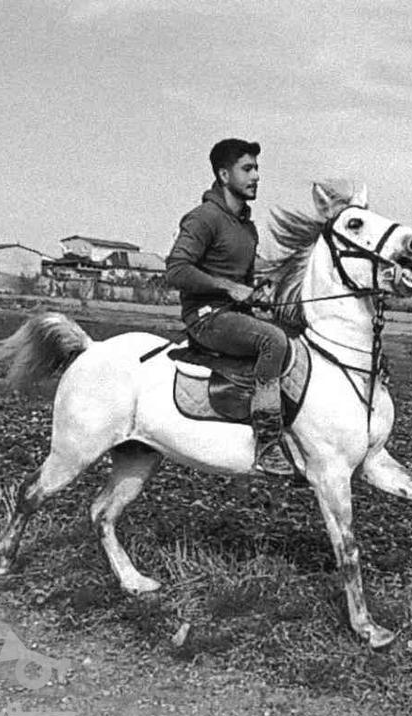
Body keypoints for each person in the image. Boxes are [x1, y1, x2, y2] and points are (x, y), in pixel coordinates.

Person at [166, 138, 293, 477]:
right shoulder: (203, 218)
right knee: (274, 341)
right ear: (224, 175)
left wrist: (256, 295)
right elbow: (176, 269)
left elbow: (243, 284)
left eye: (257, 169)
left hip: (234, 316)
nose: (256, 176)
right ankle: (266, 443)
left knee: (291, 335)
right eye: (247, 169)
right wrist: (227, 287)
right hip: (207, 319)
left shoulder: (247, 227)